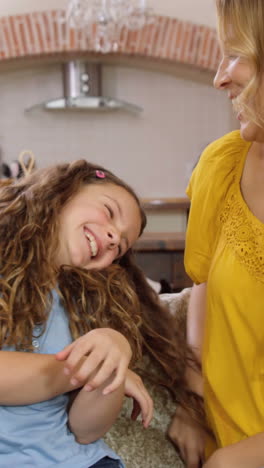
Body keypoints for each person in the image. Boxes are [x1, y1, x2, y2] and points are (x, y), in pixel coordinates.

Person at [0, 159, 195, 468]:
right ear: (65, 191)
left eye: (120, 246)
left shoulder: (86, 304)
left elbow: (86, 430)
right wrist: (84, 367)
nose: (115, 238)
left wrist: (112, 355)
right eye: (109, 211)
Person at [168, 1, 264, 467]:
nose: (219, 78)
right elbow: (204, 285)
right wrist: (190, 400)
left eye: (235, 56)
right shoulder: (221, 165)